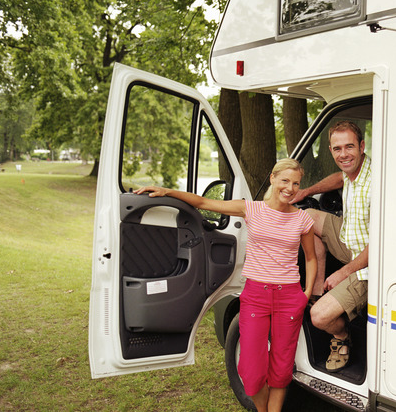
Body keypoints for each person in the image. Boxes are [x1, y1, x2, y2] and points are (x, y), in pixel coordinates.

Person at [135, 158, 316, 412]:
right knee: (251, 373)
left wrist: (305, 294)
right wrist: (167, 192)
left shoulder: (302, 219)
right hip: (256, 295)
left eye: (296, 183)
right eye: (285, 180)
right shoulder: (251, 209)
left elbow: (310, 257)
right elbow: (203, 203)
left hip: (289, 297)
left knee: (282, 367)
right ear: (273, 178)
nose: (290, 188)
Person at [290, 120, 371, 373]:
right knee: (306, 217)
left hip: (371, 263)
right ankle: (315, 293)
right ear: (330, 150)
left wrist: (343, 273)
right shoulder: (351, 172)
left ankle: (342, 337)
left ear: (362, 146)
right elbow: (339, 178)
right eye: (337, 149)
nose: (343, 154)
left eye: (349, 147)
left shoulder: (377, 181)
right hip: (349, 242)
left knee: (320, 318)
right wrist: (306, 192)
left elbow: (382, 245)